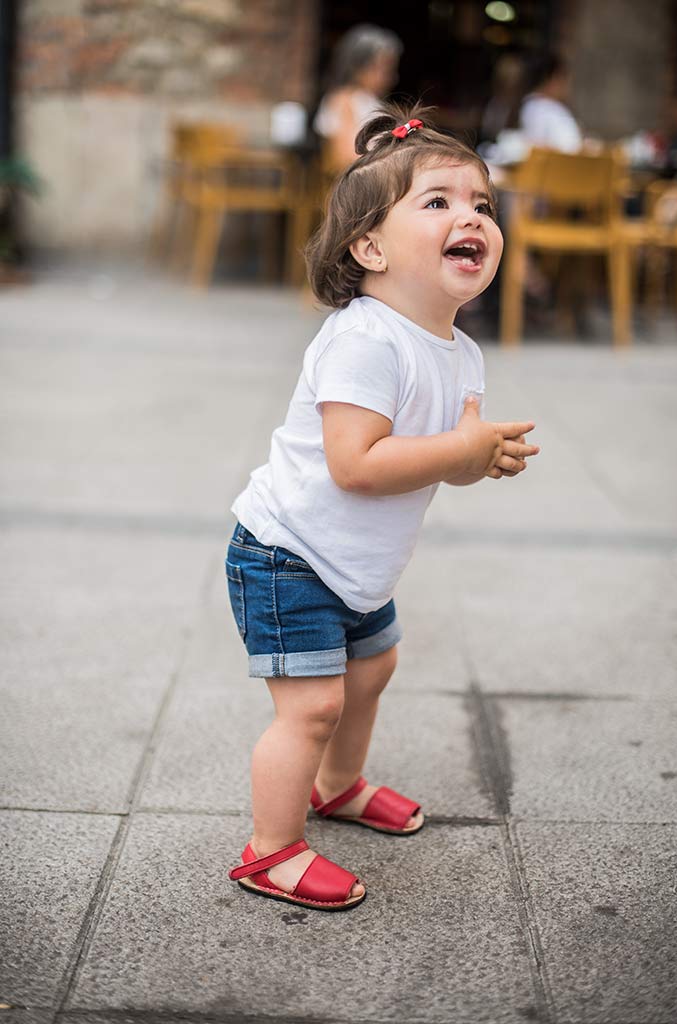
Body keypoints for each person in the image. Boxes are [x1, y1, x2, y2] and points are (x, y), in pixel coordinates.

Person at [225, 101, 540, 912]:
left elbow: (434, 460)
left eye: (481, 205)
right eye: (437, 201)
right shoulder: (366, 338)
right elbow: (356, 465)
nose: (469, 216)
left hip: (354, 563)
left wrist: (476, 462)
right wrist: (457, 454)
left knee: (373, 669)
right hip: (288, 552)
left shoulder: (459, 351)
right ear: (369, 247)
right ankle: (271, 850)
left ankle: (338, 787)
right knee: (314, 703)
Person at [313, 24, 402, 173]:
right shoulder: (343, 101)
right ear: (359, 67)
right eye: (384, 69)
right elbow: (344, 158)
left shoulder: (373, 102)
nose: (392, 77)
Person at [518, 53, 582, 153]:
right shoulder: (541, 107)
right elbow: (537, 146)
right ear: (554, 78)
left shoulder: (535, 105)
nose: (567, 85)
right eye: (564, 78)